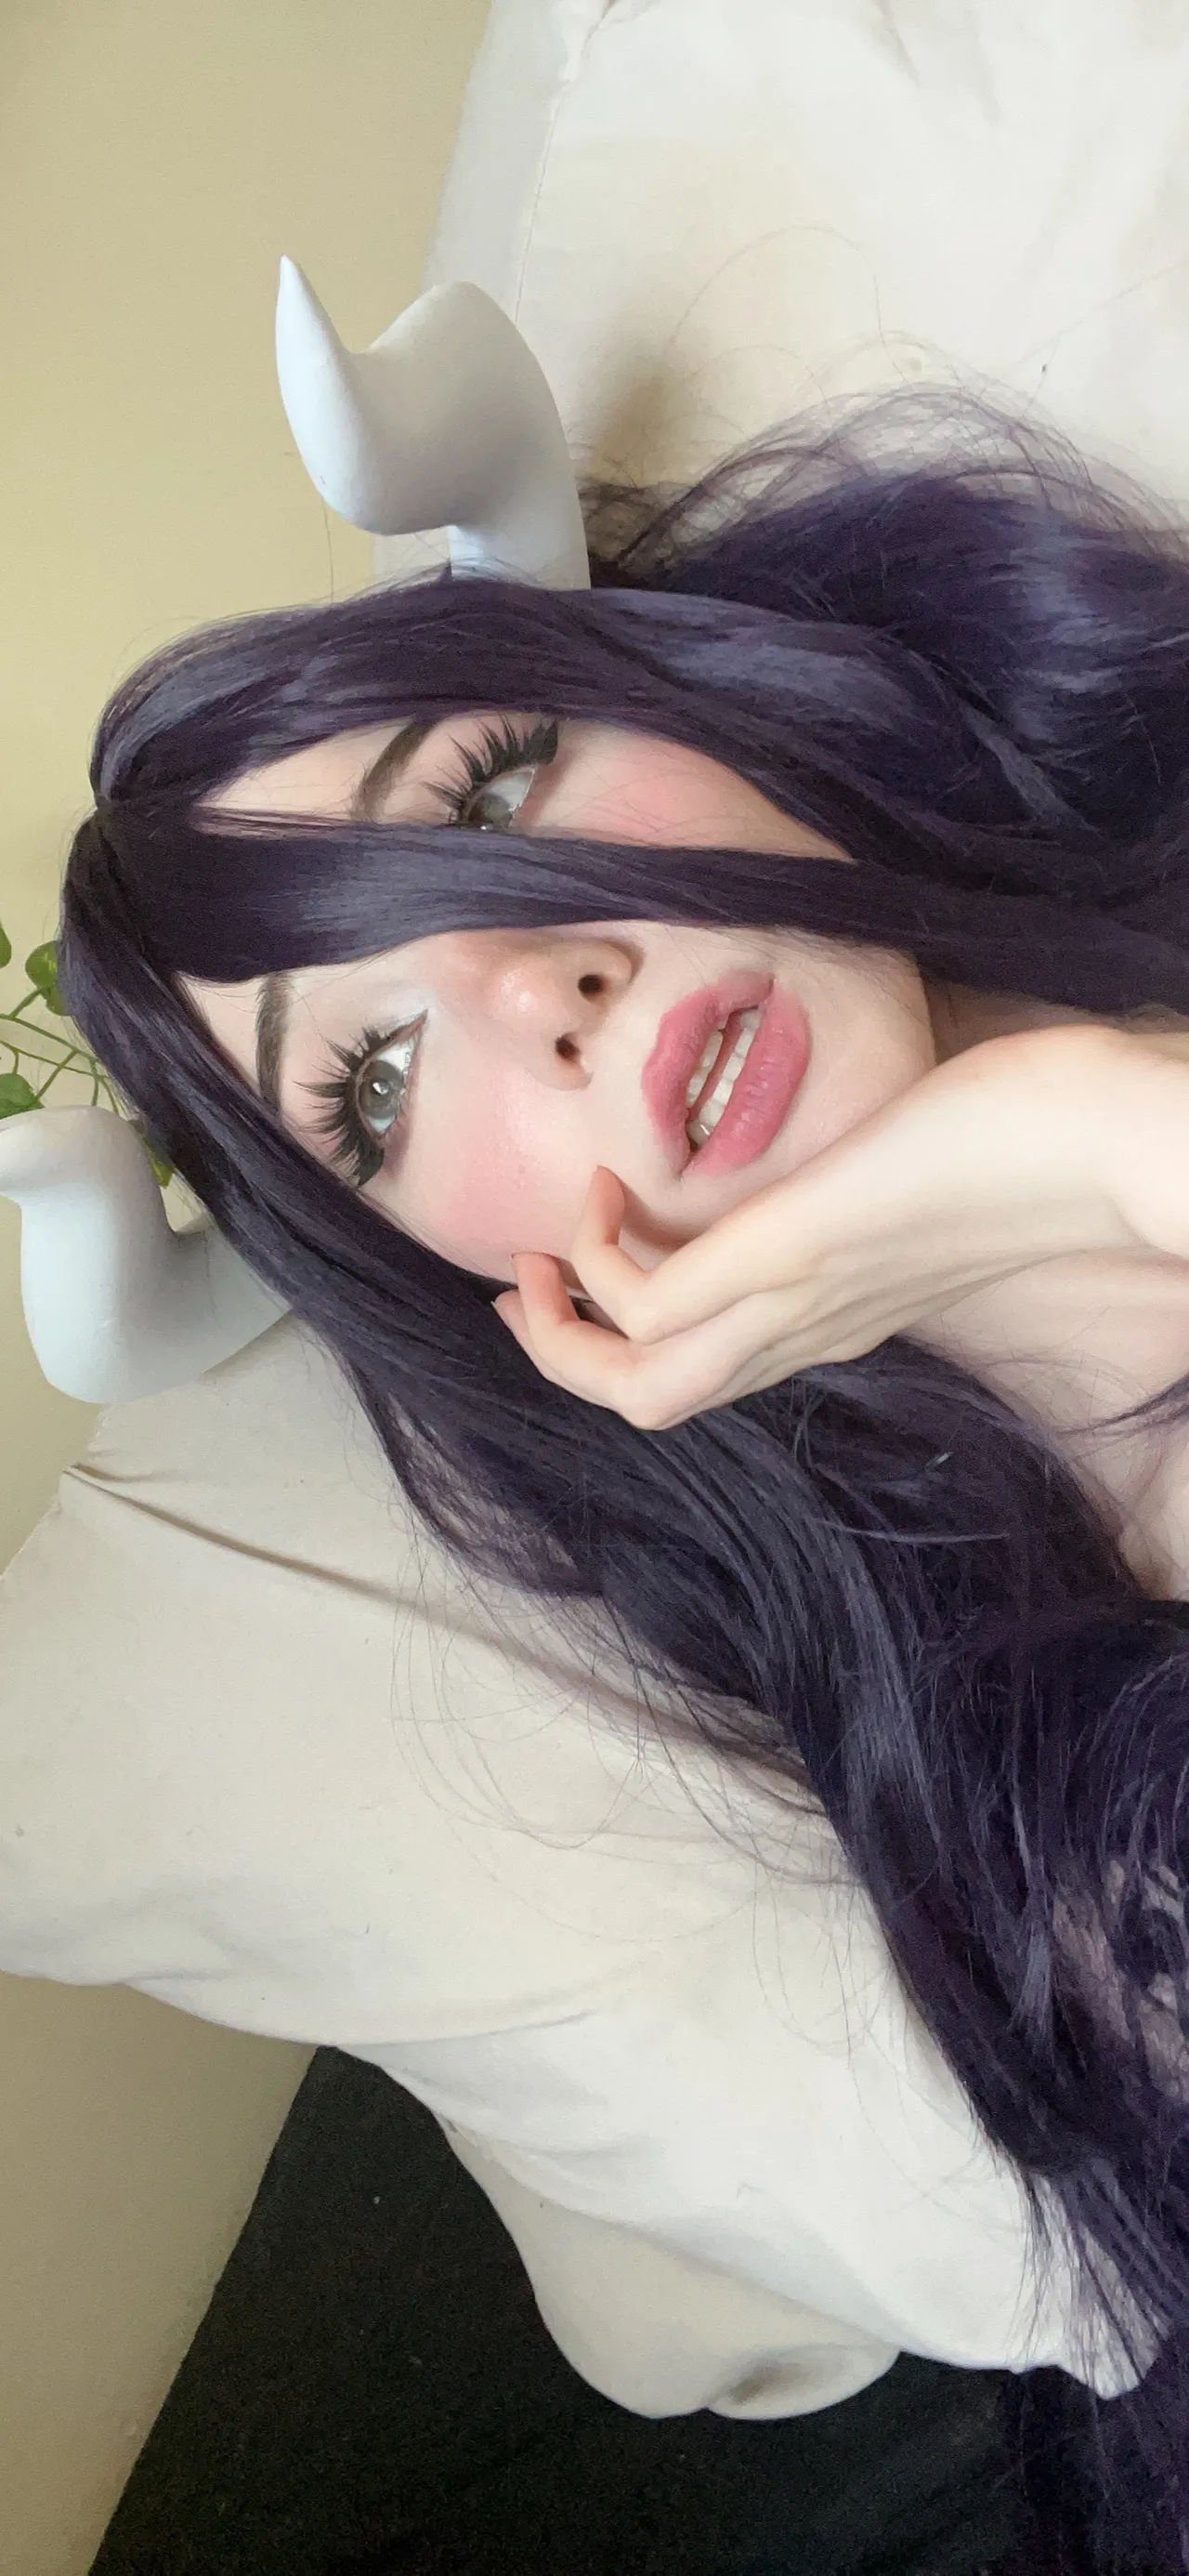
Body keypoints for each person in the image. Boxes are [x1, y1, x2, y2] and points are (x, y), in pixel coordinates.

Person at [57, 401, 1189, 2570]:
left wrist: (1093, 1127)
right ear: (449, 1276)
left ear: (678, 700)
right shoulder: (1025, 1799)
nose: (533, 986)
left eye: (488, 789)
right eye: (375, 1080)